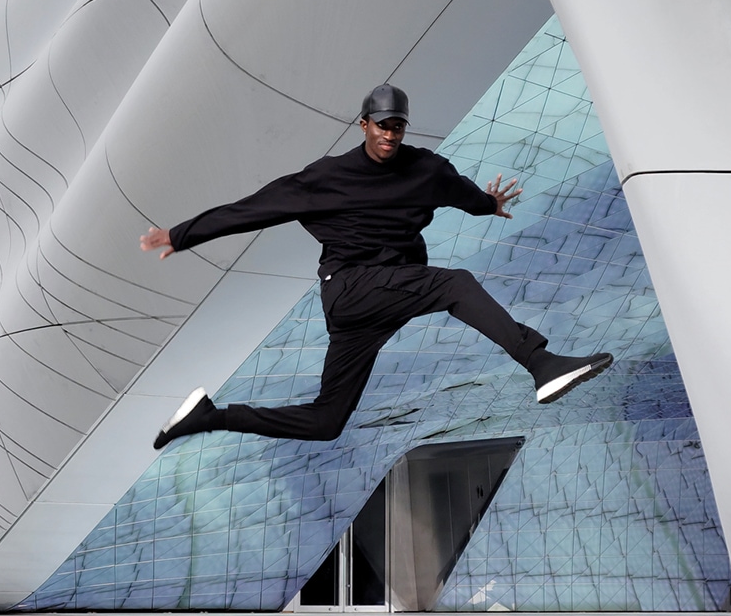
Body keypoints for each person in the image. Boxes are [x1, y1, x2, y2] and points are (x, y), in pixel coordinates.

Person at [140, 84, 613, 450]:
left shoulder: (426, 169)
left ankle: (208, 417)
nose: (389, 135)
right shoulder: (326, 178)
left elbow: (464, 196)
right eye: (381, 126)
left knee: (326, 422)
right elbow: (253, 209)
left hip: (383, 303)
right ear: (364, 124)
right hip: (350, 288)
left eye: (398, 127)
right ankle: (541, 363)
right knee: (455, 284)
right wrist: (182, 235)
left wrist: (489, 205)